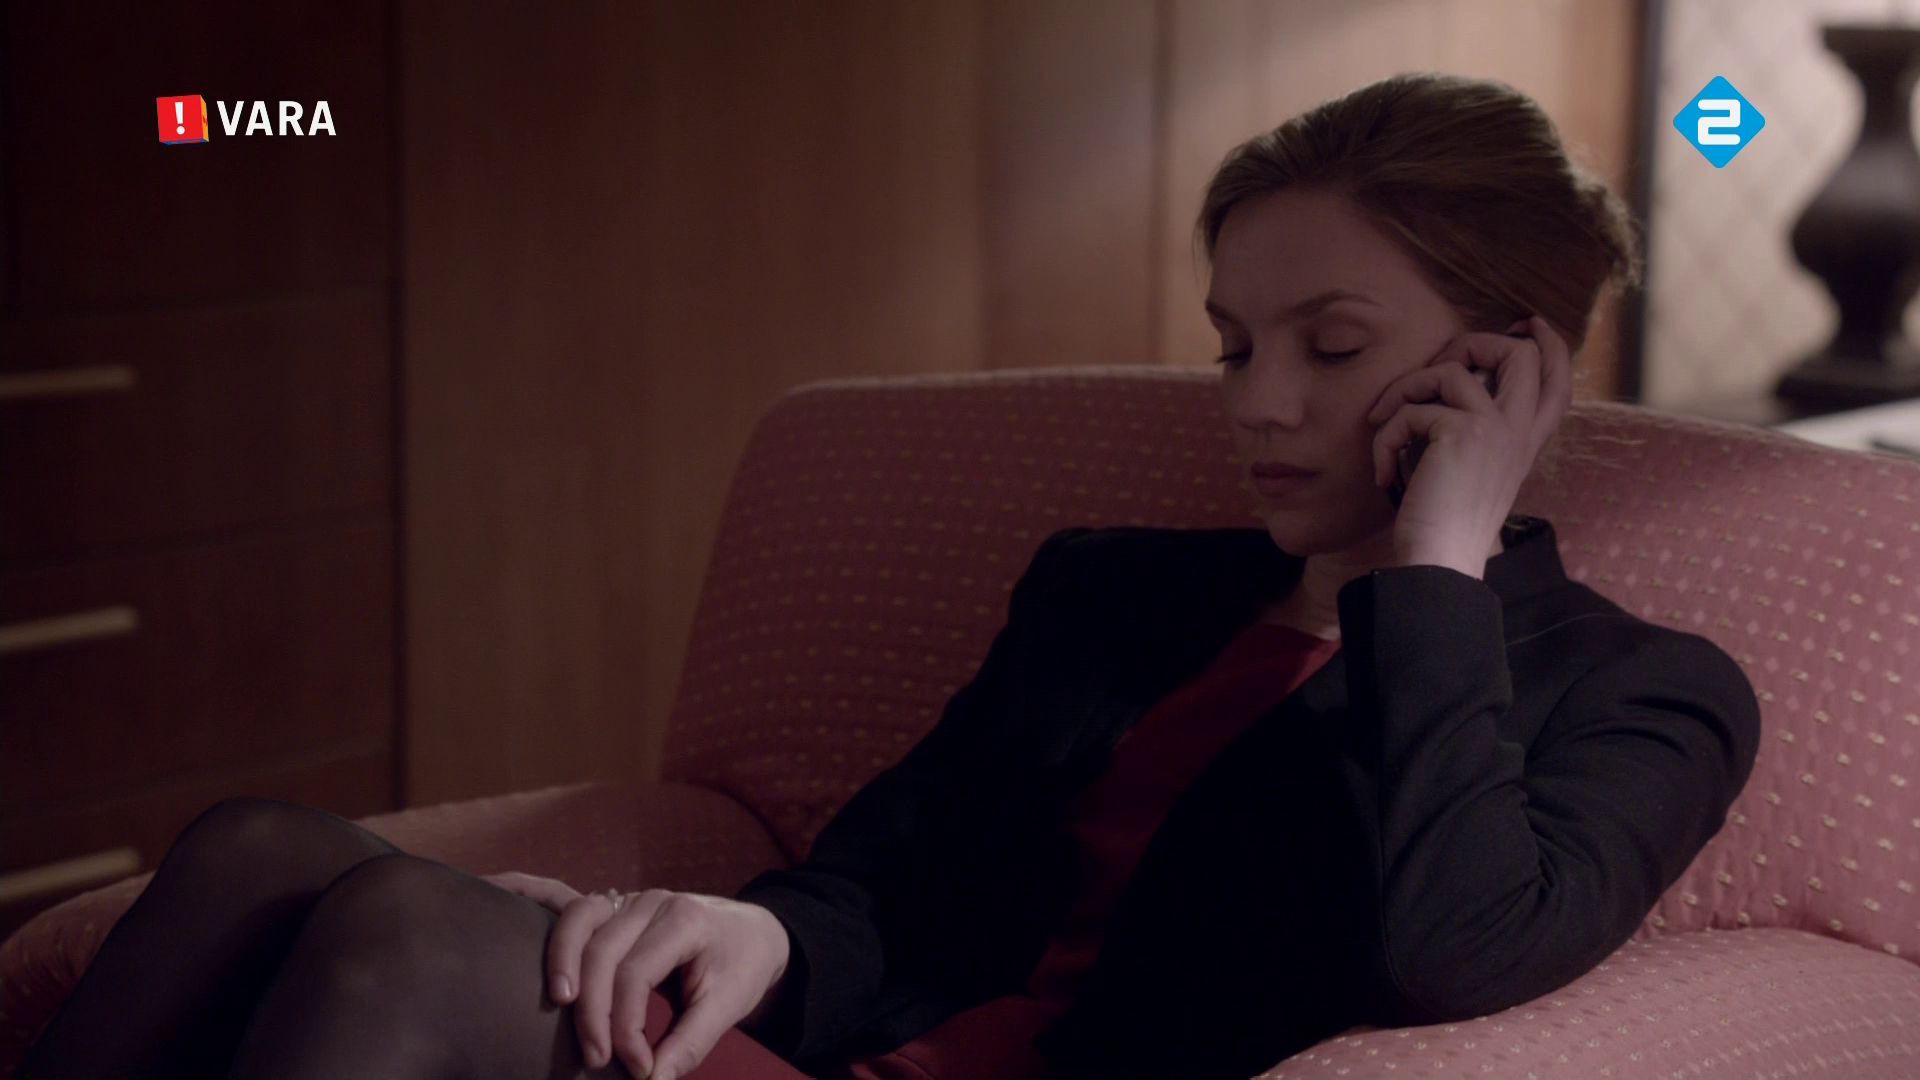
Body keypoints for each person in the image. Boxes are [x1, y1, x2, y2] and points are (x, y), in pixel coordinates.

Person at [13, 71, 1762, 1080]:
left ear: (1510, 368)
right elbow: (885, 879)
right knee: (258, 851)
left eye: (1332, 343)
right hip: (844, 1049)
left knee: (407, 928)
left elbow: (1456, 944)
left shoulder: (1645, 692)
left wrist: (1438, 564)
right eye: (1236, 344)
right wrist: (750, 932)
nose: (1258, 403)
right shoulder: (1112, 591)